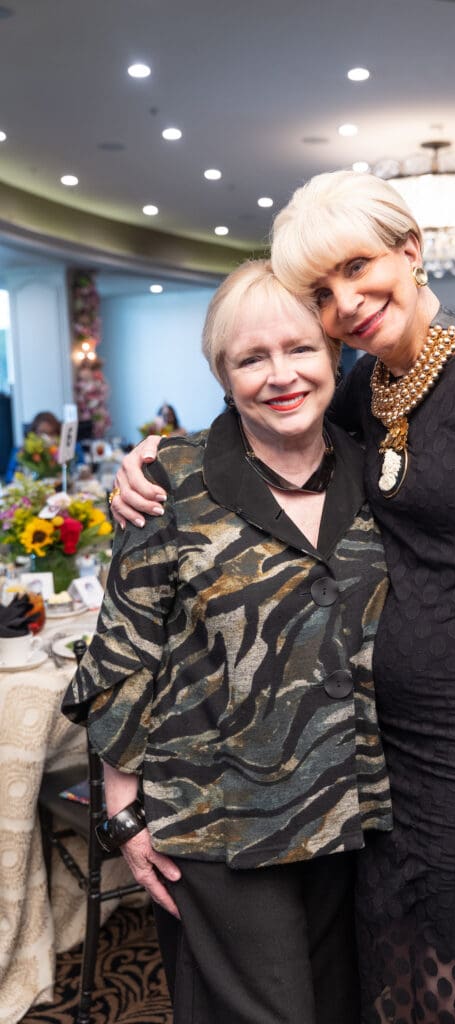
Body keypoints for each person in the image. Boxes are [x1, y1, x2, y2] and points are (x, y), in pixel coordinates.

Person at [112, 171, 455, 1024]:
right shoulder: (362, 391)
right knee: (384, 973)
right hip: (365, 753)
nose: (348, 304)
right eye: (323, 294)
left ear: (411, 250)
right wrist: (151, 458)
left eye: (358, 267)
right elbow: (263, 437)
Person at [62, 260, 394, 1024]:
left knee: (341, 1007)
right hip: (218, 817)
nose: (280, 375)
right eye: (251, 358)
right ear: (222, 373)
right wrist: (124, 813)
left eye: (300, 349)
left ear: (333, 354)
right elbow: (121, 657)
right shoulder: (171, 480)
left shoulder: (374, 471)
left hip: (354, 803)